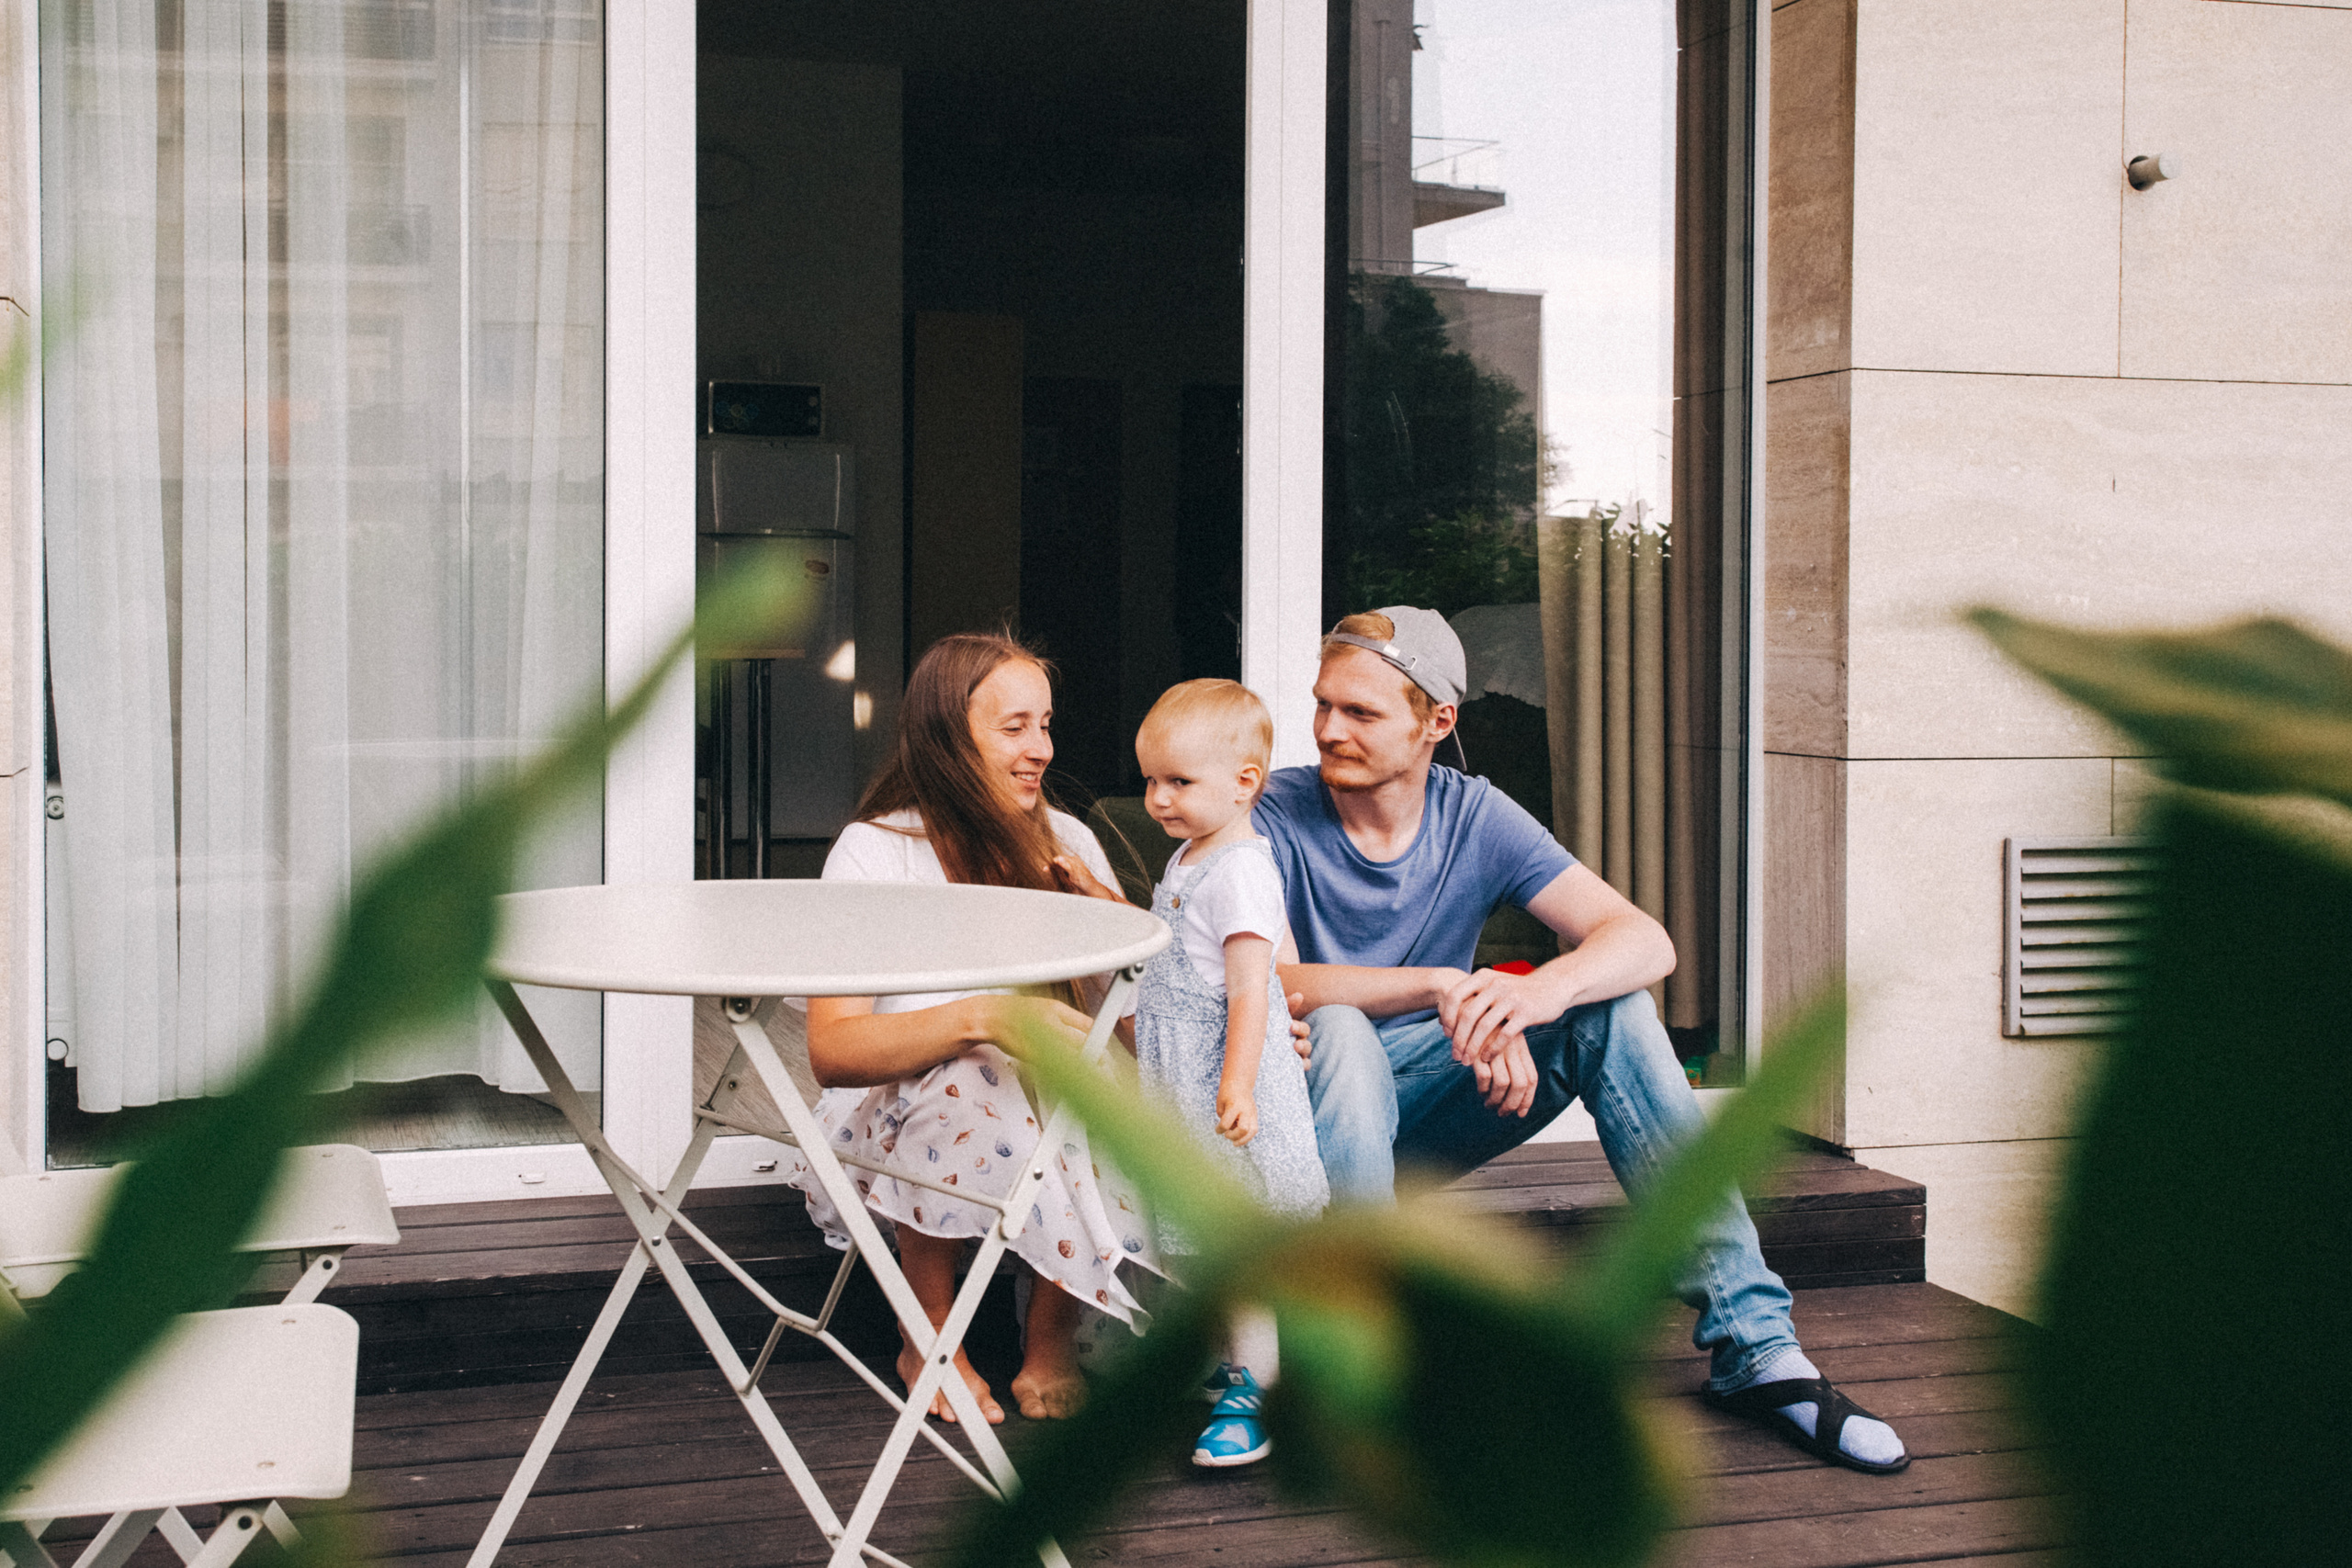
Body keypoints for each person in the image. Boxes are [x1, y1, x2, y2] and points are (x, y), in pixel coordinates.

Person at [1256, 607, 1909, 1475]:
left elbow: (1645, 940)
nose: (1328, 729)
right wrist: (1444, 990)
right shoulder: (1272, 811)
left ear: (1436, 722)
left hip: (1421, 1109)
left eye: (1361, 712)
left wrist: (1532, 996)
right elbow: (1270, 981)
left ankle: (1758, 1350)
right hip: (1297, 1132)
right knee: (1340, 1028)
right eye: (1323, 704)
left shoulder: (1476, 816)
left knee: (1615, 1007)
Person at [784, 633, 1158, 1426]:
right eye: (1015, 727)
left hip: (1047, 1116)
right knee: (972, 1067)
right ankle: (929, 1335)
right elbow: (833, 1052)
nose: (1042, 750)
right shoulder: (878, 851)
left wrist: (1107, 927)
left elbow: (1135, 1038)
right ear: (951, 737)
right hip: (900, 1121)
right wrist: (982, 1018)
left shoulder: (1071, 842)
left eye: (1046, 725)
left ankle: (1048, 1335)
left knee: (1091, 1080)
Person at [1131, 680, 1328, 1468]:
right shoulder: (1190, 856)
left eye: (1178, 781)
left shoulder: (1242, 870)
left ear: (1245, 782)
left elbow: (1253, 987)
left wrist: (1238, 1084)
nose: (1156, 798)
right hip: (1186, 1080)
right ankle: (1228, 1363)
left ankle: (1258, 1384)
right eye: (1150, 780)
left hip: (1226, 1082)